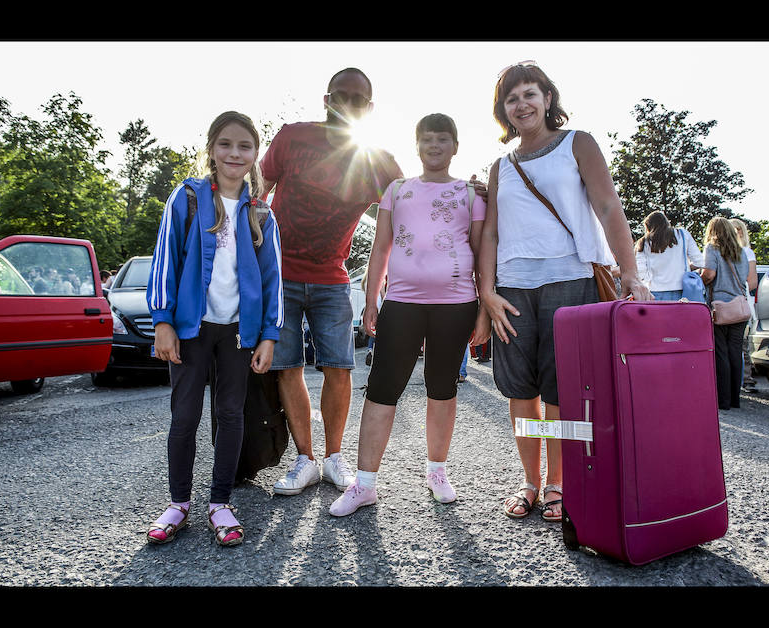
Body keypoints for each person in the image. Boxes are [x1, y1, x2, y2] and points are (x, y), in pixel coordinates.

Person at [478, 61, 651, 523]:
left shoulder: (579, 143)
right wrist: (486, 291)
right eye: (512, 98)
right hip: (512, 287)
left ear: (547, 98)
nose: (521, 105)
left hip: (571, 279)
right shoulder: (501, 166)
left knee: (561, 391)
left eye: (529, 94)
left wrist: (630, 272)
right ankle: (529, 481)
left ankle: (557, 481)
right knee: (520, 390)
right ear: (503, 109)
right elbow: (490, 232)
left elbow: (608, 206)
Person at [329, 113, 490, 516]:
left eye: (442, 139)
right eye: (426, 139)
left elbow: (481, 251)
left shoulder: (471, 194)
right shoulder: (398, 190)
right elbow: (381, 248)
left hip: (456, 303)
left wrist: (484, 309)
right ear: (416, 146)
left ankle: (437, 472)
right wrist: (371, 300)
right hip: (401, 302)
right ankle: (364, 484)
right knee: (382, 388)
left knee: (442, 388)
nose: (434, 146)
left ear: (455, 146)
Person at [258, 68, 404, 497]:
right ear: (326, 100)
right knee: (288, 367)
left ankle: (334, 457)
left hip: (332, 279)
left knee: (339, 367)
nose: (347, 104)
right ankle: (305, 460)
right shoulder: (292, 137)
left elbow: (415, 203)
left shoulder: (376, 160)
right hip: (280, 276)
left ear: (369, 108)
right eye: (340, 96)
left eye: (357, 100)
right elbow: (256, 190)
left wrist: (465, 192)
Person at [144, 111, 283, 547]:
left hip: (239, 330)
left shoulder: (262, 213)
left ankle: (220, 503)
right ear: (211, 149)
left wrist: (269, 335)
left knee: (230, 414)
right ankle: (178, 504)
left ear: (255, 154)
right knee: (184, 415)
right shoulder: (187, 198)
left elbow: (273, 279)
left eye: (244, 146)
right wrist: (163, 321)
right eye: (226, 144)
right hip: (191, 328)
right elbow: (165, 261)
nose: (234, 153)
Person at [701, 216, 750, 410]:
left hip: (720, 307)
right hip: (739, 307)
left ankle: (724, 400)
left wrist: (699, 279)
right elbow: (745, 278)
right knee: (735, 352)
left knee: (721, 352)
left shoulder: (712, 248)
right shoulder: (741, 251)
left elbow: (709, 274)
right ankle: (735, 399)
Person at [634, 210, 704, 300]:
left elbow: (640, 272)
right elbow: (699, 262)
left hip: (655, 291)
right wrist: (685, 267)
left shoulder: (643, 242)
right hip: (683, 290)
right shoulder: (682, 234)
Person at [730, 218, 759, 390]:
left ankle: (746, 379)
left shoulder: (747, 252)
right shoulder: (719, 251)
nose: (735, 232)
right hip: (725, 302)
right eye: (731, 229)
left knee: (742, 342)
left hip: (741, 300)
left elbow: (752, 282)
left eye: (738, 229)